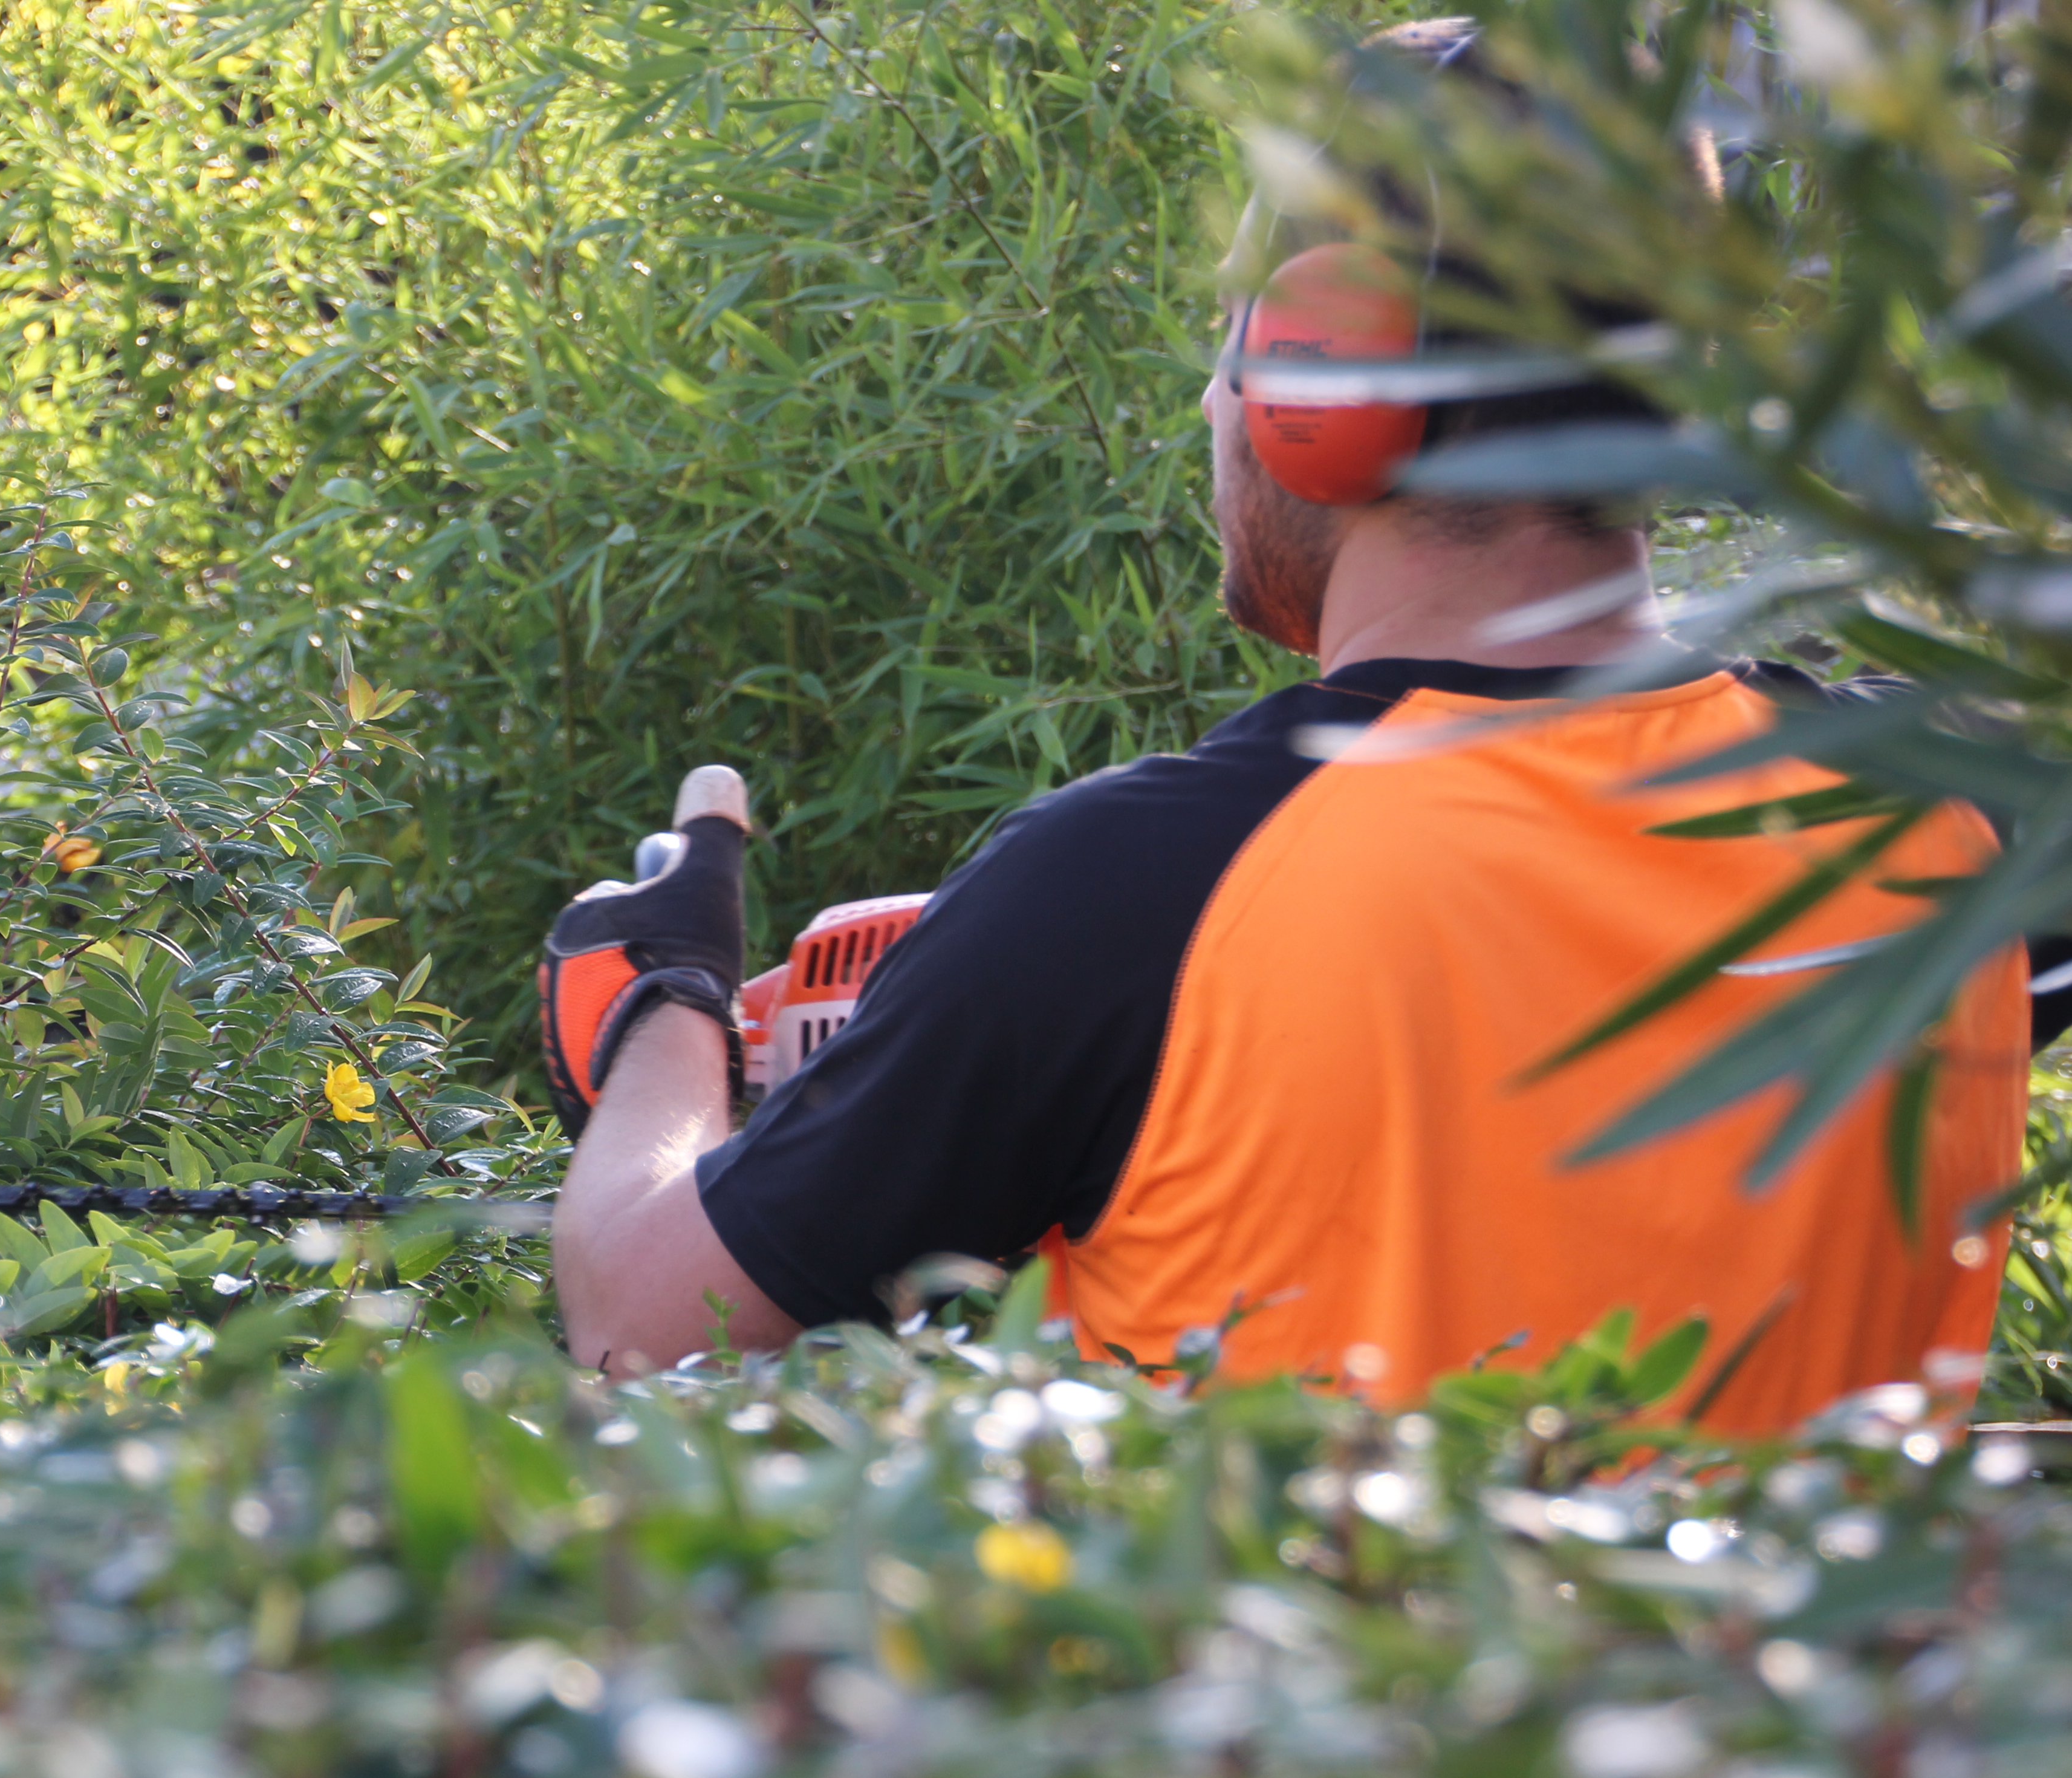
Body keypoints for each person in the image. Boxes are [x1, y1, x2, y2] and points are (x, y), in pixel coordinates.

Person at [536, 21, 2044, 1435]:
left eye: (1232, 343)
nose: (1212, 397)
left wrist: (659, 1007)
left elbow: (645, 1322)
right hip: (1854, 1711)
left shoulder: (1126, 900)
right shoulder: (1958, 820)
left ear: (1324, 375)